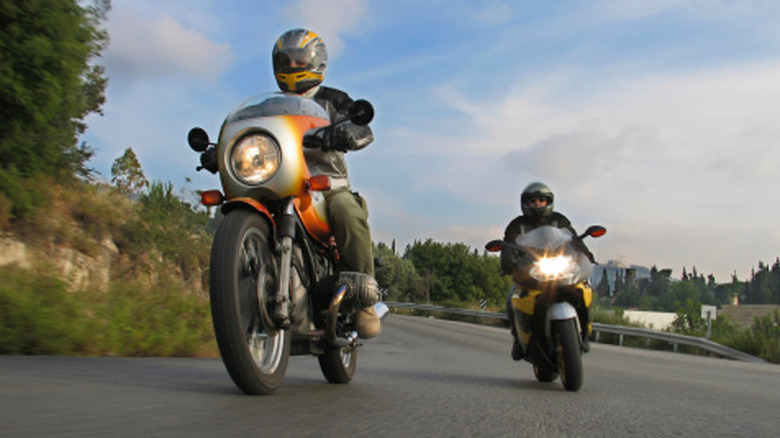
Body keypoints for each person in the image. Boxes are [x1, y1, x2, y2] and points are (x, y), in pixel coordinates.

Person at [272, 28, 380, 338]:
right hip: (281, 183)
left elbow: (361, 128)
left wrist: (346, 133)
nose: (292, 65)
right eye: (286, 60)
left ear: (316, 62)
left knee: (347, 211)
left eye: (299, 60)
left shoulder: (333, 100)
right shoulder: (271, 106)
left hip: (326, 186)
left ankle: (364, 301)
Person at [501, 182, 594, 360]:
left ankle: (584, 333)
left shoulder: (560, 221)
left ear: (548, 202)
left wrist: (586, 256)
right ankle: (518, 340)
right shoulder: (516, 225)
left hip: (561, 267)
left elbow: (574, 240)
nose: (537, 204)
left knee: (582, 290)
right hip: (531, 270)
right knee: (511, 300)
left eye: (541, 200)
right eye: (533, 201)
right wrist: (508, 262)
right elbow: (508, 245)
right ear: (525, 203)